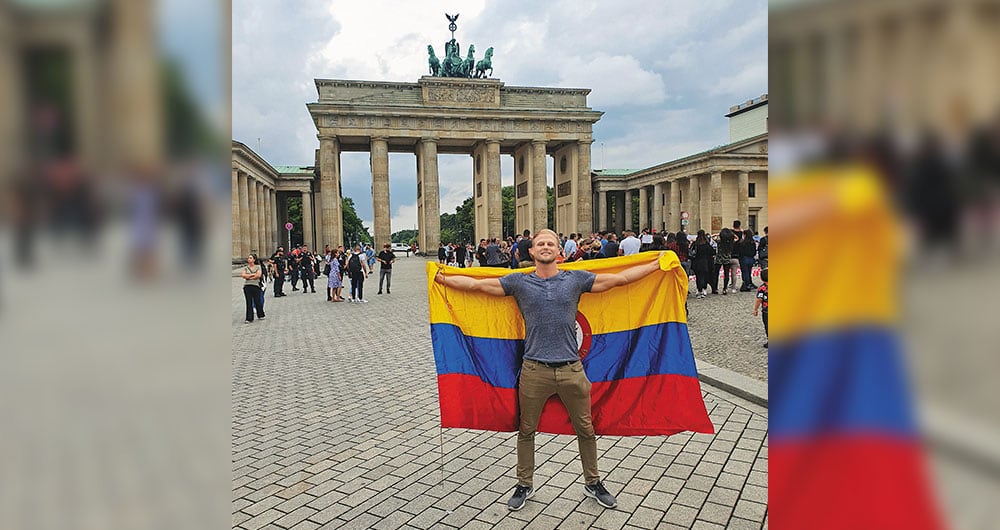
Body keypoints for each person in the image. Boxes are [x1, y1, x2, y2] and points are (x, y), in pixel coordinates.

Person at [434, 229, 667, 511]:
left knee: (586, 429)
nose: (545, 247)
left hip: (572, 370)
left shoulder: (575, 278)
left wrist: (656, 265)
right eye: (540, 243)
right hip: (534, 370)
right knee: (526, 430)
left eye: (550, 243)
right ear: (531, 252)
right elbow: (479, 286)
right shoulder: (519, 282)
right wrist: (442, 277)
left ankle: (593, 482)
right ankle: (524, 484)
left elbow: (617, 280)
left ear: (560, 251)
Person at [691, 230, 717, 298]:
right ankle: (704, 289)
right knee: (705, 276)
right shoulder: (706, 244)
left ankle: (698, 289)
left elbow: (691, 252)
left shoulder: (695, 244)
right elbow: (712, 252)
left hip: (697, 262)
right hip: (705, 262)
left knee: (698, 276)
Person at [240, 253, 265, 323]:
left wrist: (248, 276)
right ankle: (249, 318)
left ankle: (260, 314)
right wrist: (253, 274)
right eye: (248, 258)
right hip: (247, 286)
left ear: (254, 259)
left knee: (257, 301)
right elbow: (243, 275)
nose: (249, 259)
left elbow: (258, 275)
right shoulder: (246, 267)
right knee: (249, 302)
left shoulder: (258, 267)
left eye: (250, 258)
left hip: (256, 285)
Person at [714, 228, 737, 295]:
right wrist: (731, 234)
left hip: (719, 259)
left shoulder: (719, 241)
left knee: (716, 274)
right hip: (727, 259)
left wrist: (718, 234)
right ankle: (725, 289)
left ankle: (715, 288)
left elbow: (712, 237)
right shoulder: (731, 242)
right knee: (726, 274)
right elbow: (737, 238)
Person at [753, 268, 768, 347]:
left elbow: (759, 299)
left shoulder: (762, 288)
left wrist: (755, 309)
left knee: (767, 325)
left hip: (767, 311)